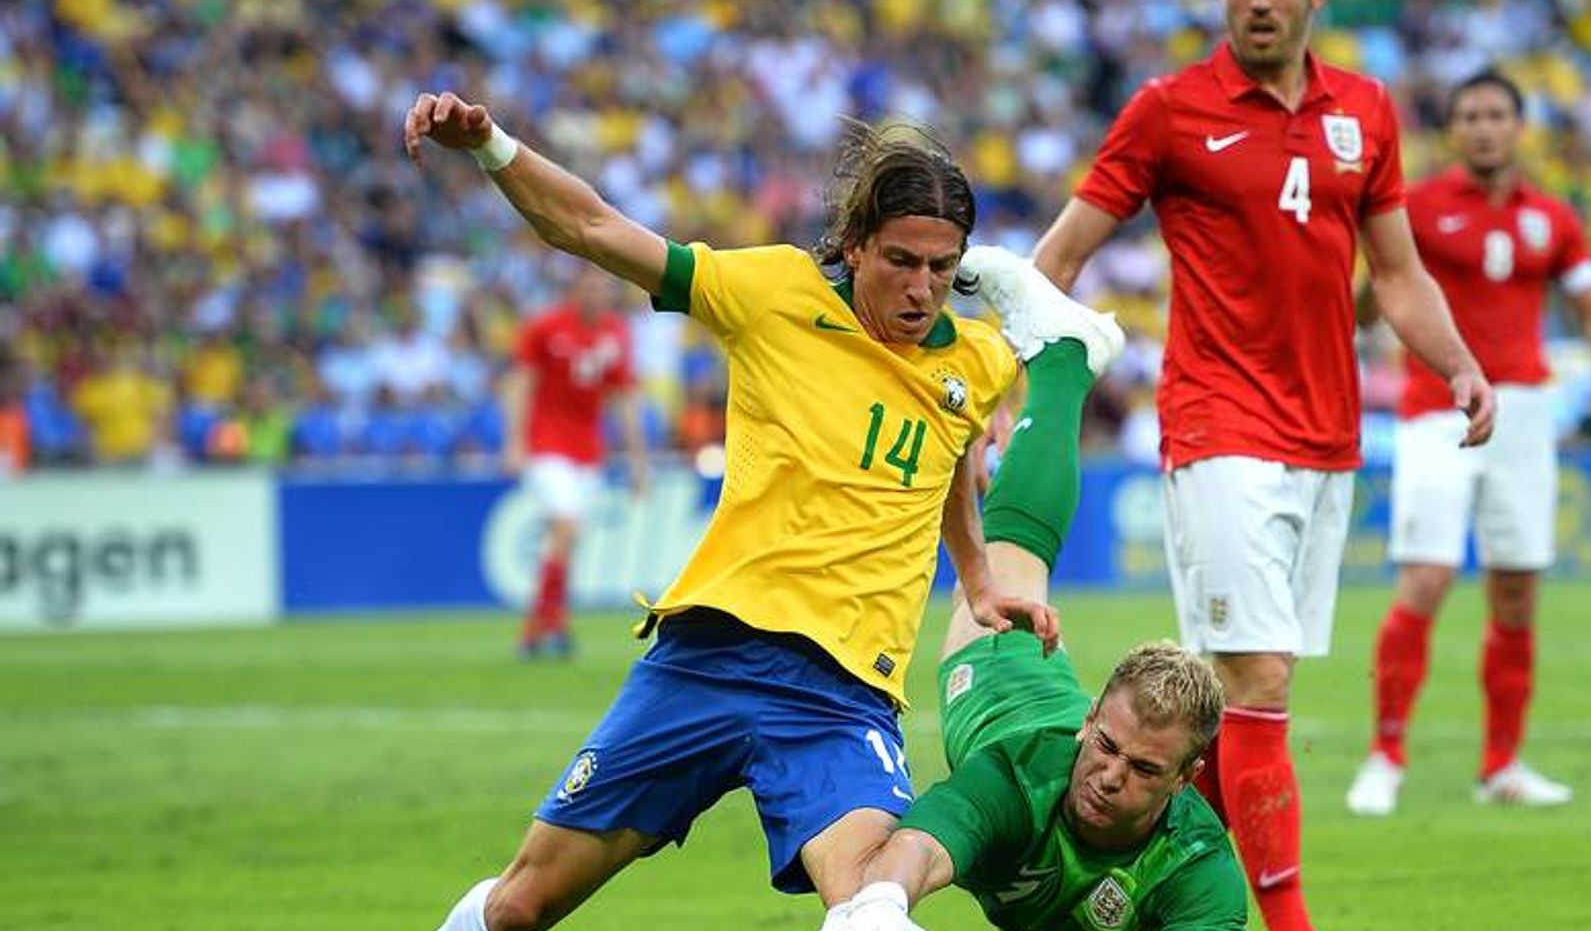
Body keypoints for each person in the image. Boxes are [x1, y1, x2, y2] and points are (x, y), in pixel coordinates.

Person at [405, 92, 1074, 931]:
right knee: (517, 909)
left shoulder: (976, 363)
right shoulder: (772, 295)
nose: (922, 288)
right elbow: (594, 228)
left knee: (873, 900)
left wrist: (976, 578)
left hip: (842, 695)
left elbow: (944, 467)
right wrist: (492, 145)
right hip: (706, 657)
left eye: (943, 268)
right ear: (856, 244)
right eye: (902, 260)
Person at [1030, 0, 1496, 931]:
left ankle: (1125, 899)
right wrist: (995, 393)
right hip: (1214, 428)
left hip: (1326, 438)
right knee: (1259, 679)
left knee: (1218, 716)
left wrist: (1458, 363)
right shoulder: (1167, 110)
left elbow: (1399, 275)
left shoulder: (1363, 114)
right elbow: (1057, 258)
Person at [823, 247, 1245, 931]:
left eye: (1143, 768)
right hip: (1002, 680)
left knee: (1011, 549)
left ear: (1186, 778)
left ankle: (1049, 368)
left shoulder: (1199, 869)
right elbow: (920, 848)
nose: (1110, 776)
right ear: (1089, 724)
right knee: (1009, 559)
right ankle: (1060, 361)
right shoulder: (1024, 777)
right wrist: (882, 904)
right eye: (1105, 746)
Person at [1345, 69, 1591, 816]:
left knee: (1516, 590)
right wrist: (1379, 273)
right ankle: (1386, 755)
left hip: (1527, 414)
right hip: (1436, 408)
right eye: (1469, 114)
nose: (1483, 126)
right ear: (1453, 128)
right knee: (1427, 581)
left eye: (1496, 114)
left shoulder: (1552, 219)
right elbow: (1369, 311)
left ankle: (1501, 765)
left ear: (1518, 126)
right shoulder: (1420, 207)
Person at [502, 263, 650, 659]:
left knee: (566, 539)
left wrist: (638, 461)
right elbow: (521, 383)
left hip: (588, 452)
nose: (595, 296)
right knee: (566, 525)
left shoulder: (615, 334)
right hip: (547, 448)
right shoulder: (545, 328)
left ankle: (538, 628)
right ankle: (552, 622)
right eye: (588, 289)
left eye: (601, 289)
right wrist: (514, 441)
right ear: (574, 291)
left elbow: (624, 398)